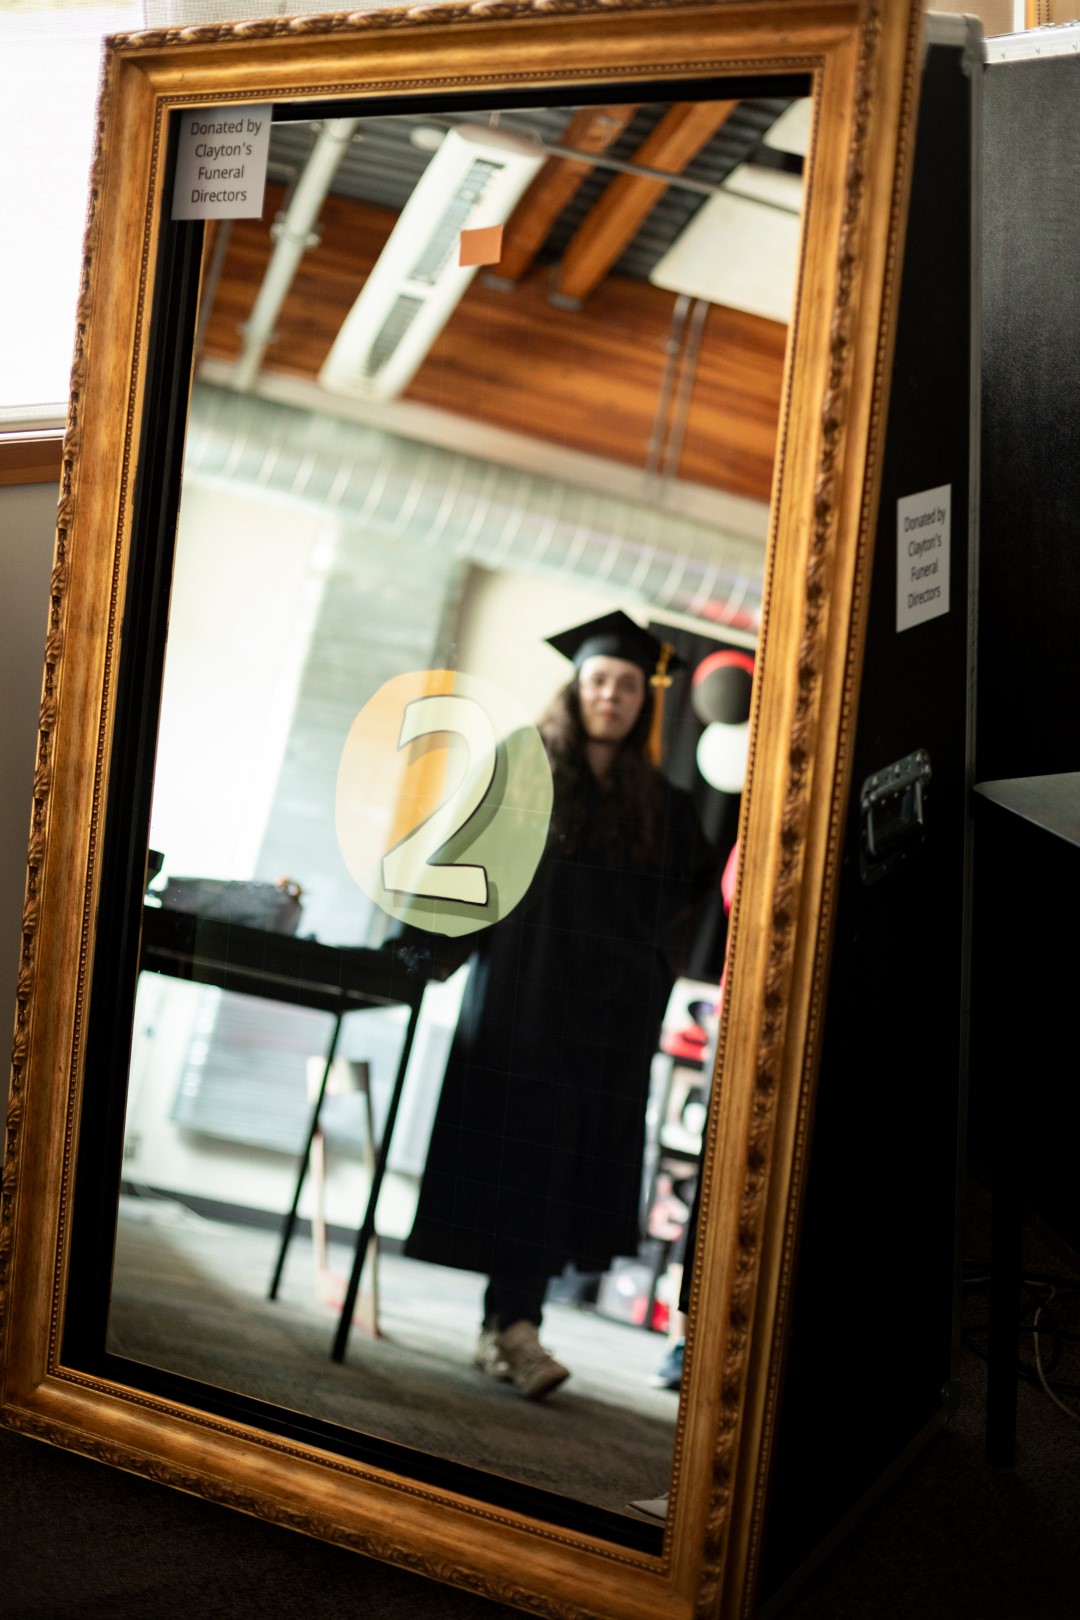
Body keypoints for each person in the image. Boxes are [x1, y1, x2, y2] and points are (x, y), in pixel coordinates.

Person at [405, 611, 715, 1398]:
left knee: (565, 1163)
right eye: (599, 680)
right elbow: (465, 861)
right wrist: (417, 951)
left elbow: (688, 897)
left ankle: (506, 1325)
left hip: (607, 1014)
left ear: (645, 700)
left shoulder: (662, 804)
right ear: (576, 689)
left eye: (627, 685)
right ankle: (515, 1326)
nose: (611, 695)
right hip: (525, 995)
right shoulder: (523, 771)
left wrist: (652, 970)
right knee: (522, 1153)